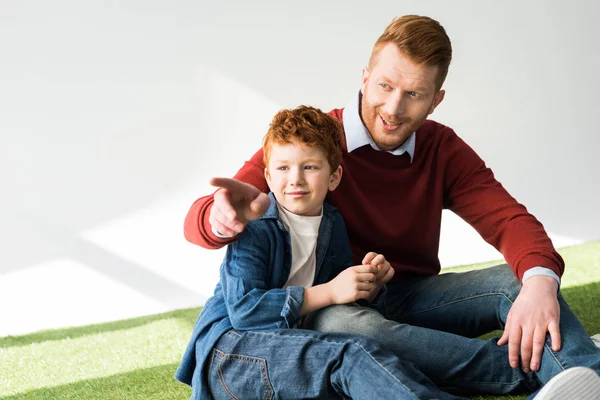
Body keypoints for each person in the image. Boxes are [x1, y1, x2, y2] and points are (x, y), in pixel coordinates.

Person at [183, 15, 600, 399]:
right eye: (385, 86)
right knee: (346, 326)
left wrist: (541, 283)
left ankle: (587, 374)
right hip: (336, 309)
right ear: (365, 78)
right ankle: (527, 371)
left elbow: (508, 219)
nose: (394, 109)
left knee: (522, 280)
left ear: (435, 100)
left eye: (414, 94)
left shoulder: (442, 148)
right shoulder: (313, 145)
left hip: (408, 296)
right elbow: (222, 208)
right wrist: (218, 218)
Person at [175, 105, 466, 399]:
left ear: (334, 177)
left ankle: (506, 370)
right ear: (269, 176)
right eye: (283, 168)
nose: (296, 179)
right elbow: (246, 313)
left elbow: (343, 304)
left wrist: (370, 287)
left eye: (310, 167)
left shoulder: (332, 223)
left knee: (362, 354)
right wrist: (329, 292)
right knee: (349, 355)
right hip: (233, 351)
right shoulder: (255, 229)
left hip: (291, 345)